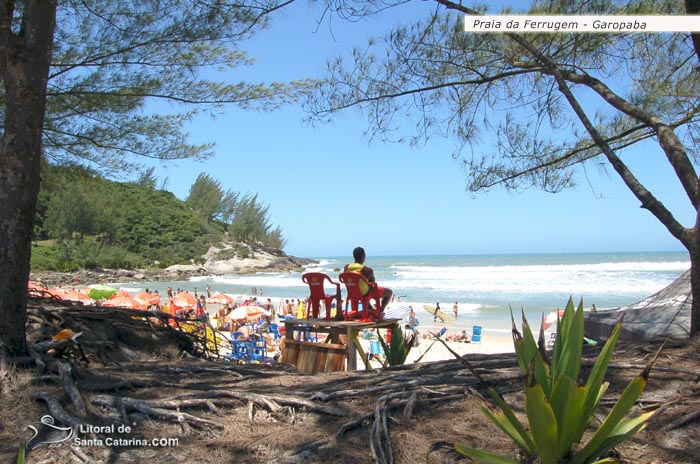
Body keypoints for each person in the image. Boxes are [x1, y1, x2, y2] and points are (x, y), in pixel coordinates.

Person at [343, 246, 393, 313]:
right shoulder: (367, 270)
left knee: (365, 292)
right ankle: (381, 310)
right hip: (364, 293)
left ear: (354, 256)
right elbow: (373, 283)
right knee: (389, 292)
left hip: (351, 292)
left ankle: (369, 309)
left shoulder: (346, 267)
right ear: (363, 256)